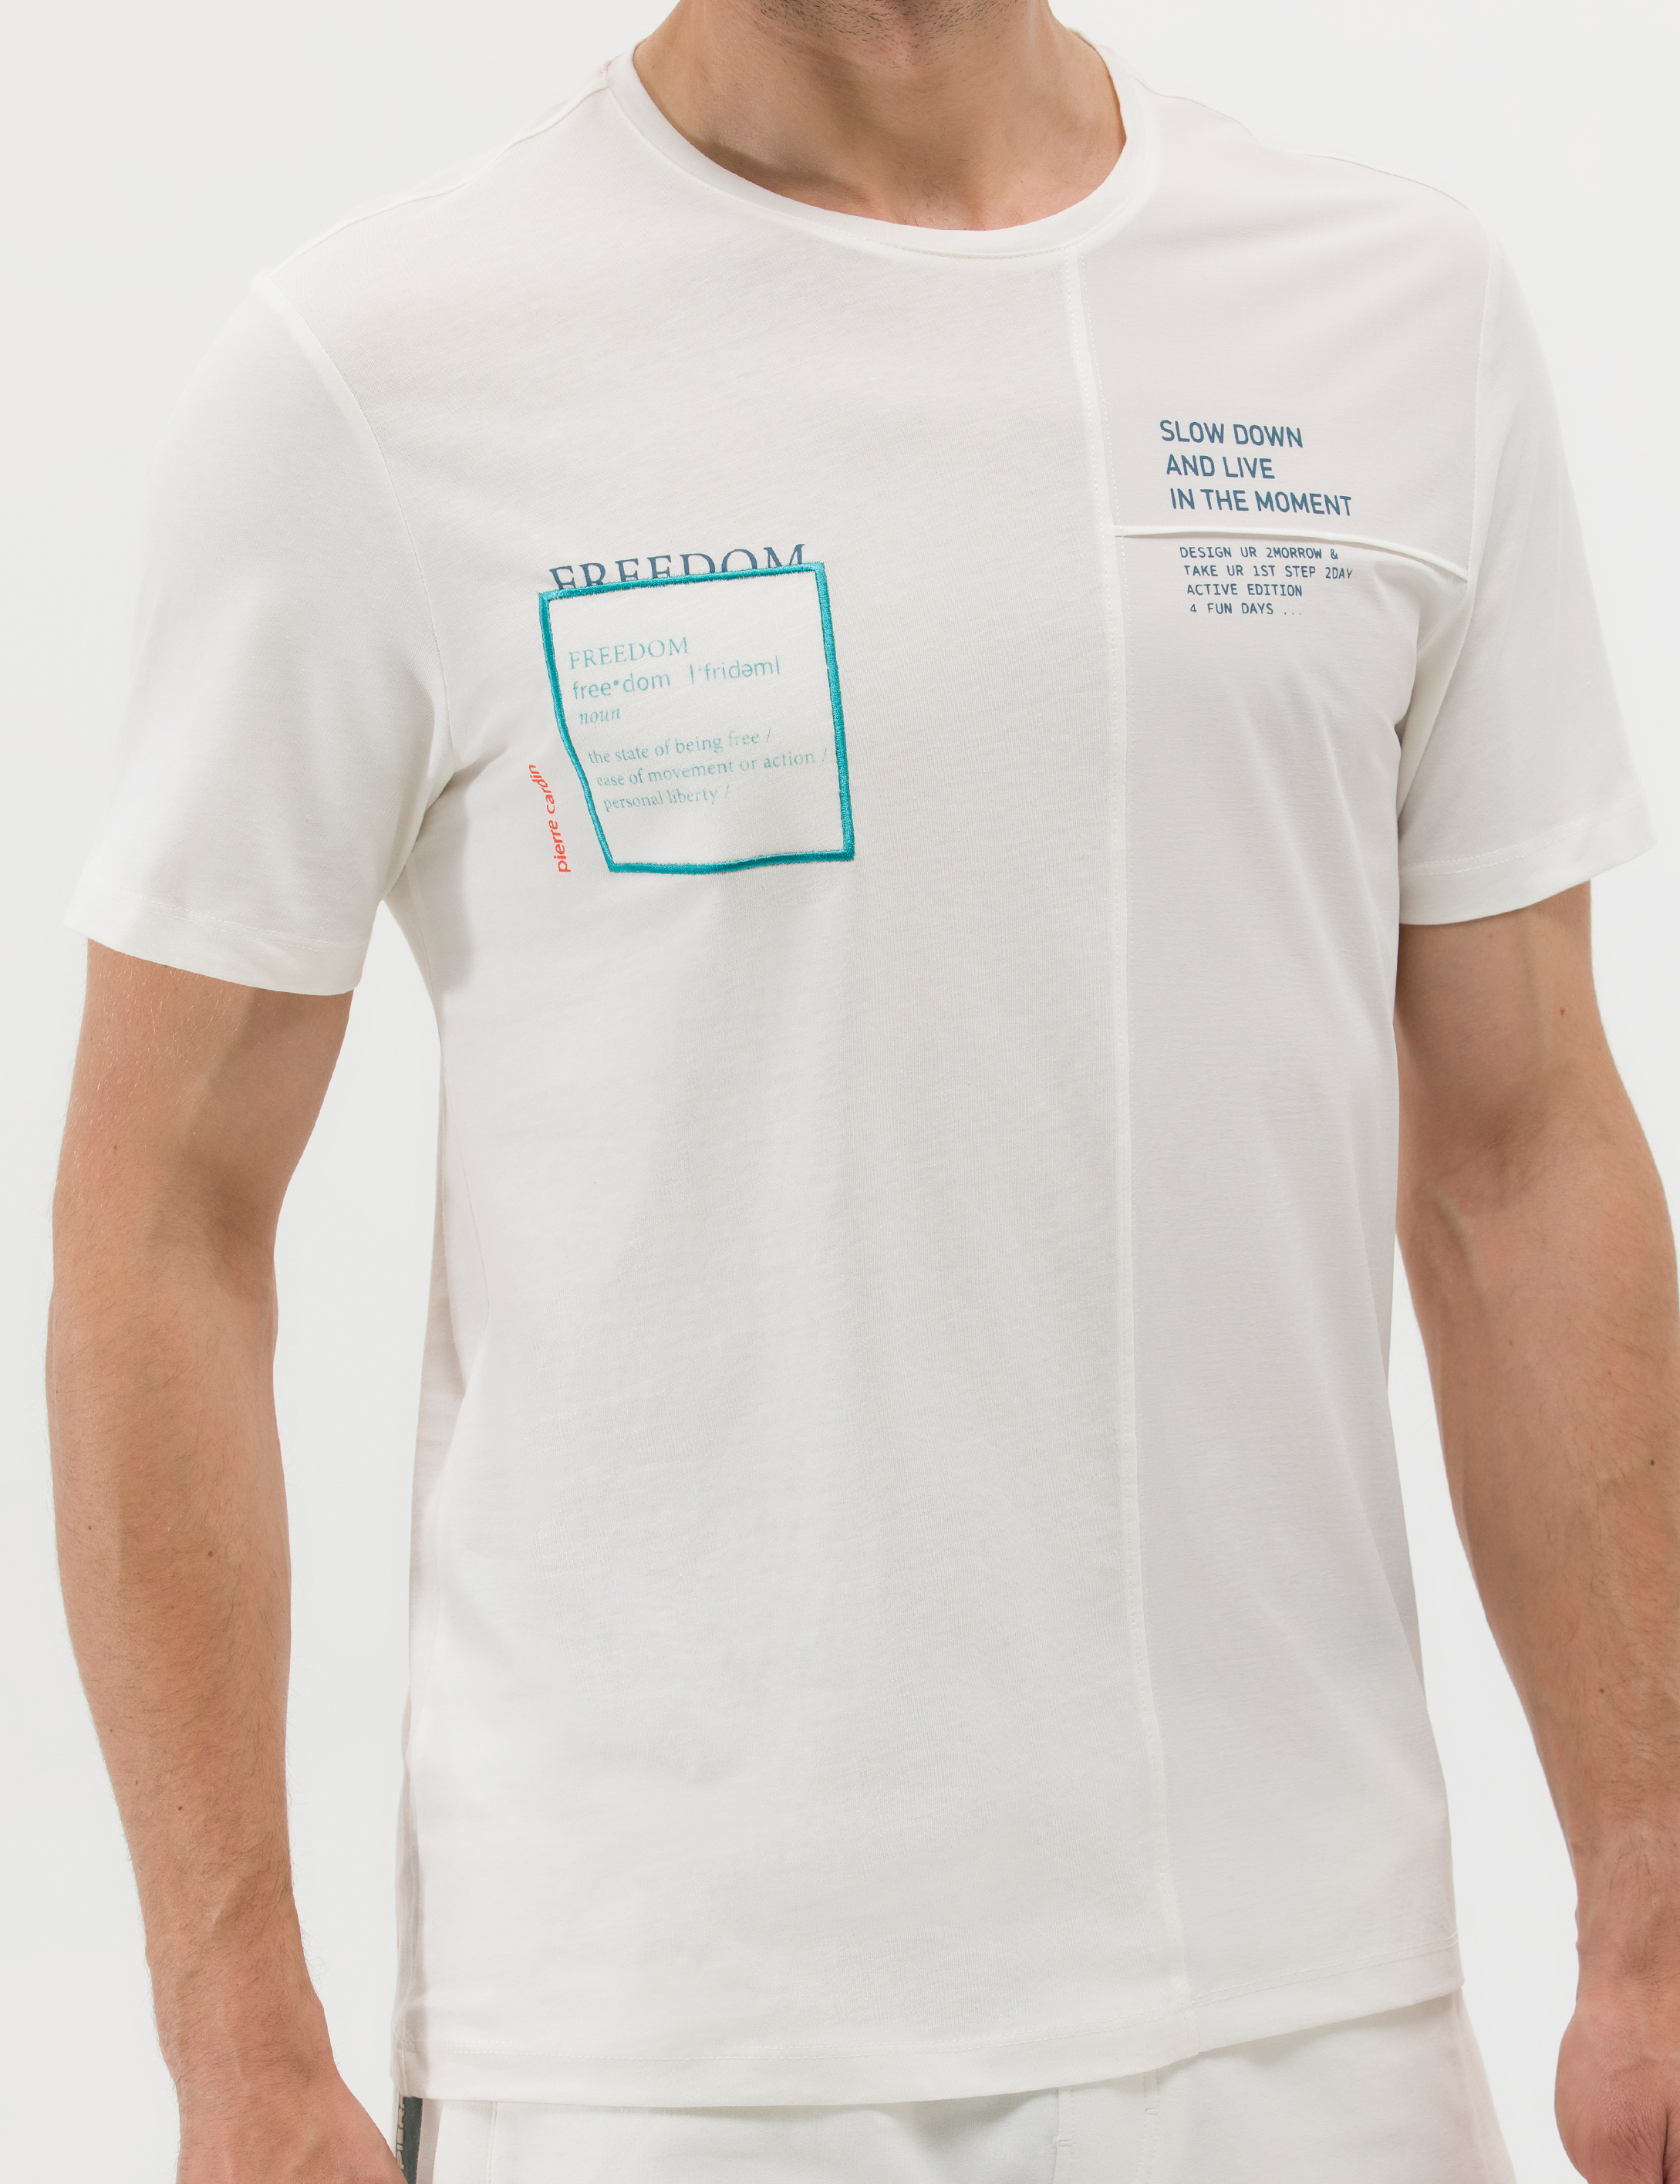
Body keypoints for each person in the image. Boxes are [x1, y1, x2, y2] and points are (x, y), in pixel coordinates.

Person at [46, 0, 1680, 2176]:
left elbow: (1521, 1155)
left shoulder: (1388, 310)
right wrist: (234, 2042)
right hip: (659, 2048)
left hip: (1310, 2012)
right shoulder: (379, 367)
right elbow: (158, 1225)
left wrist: (1652, 1897)